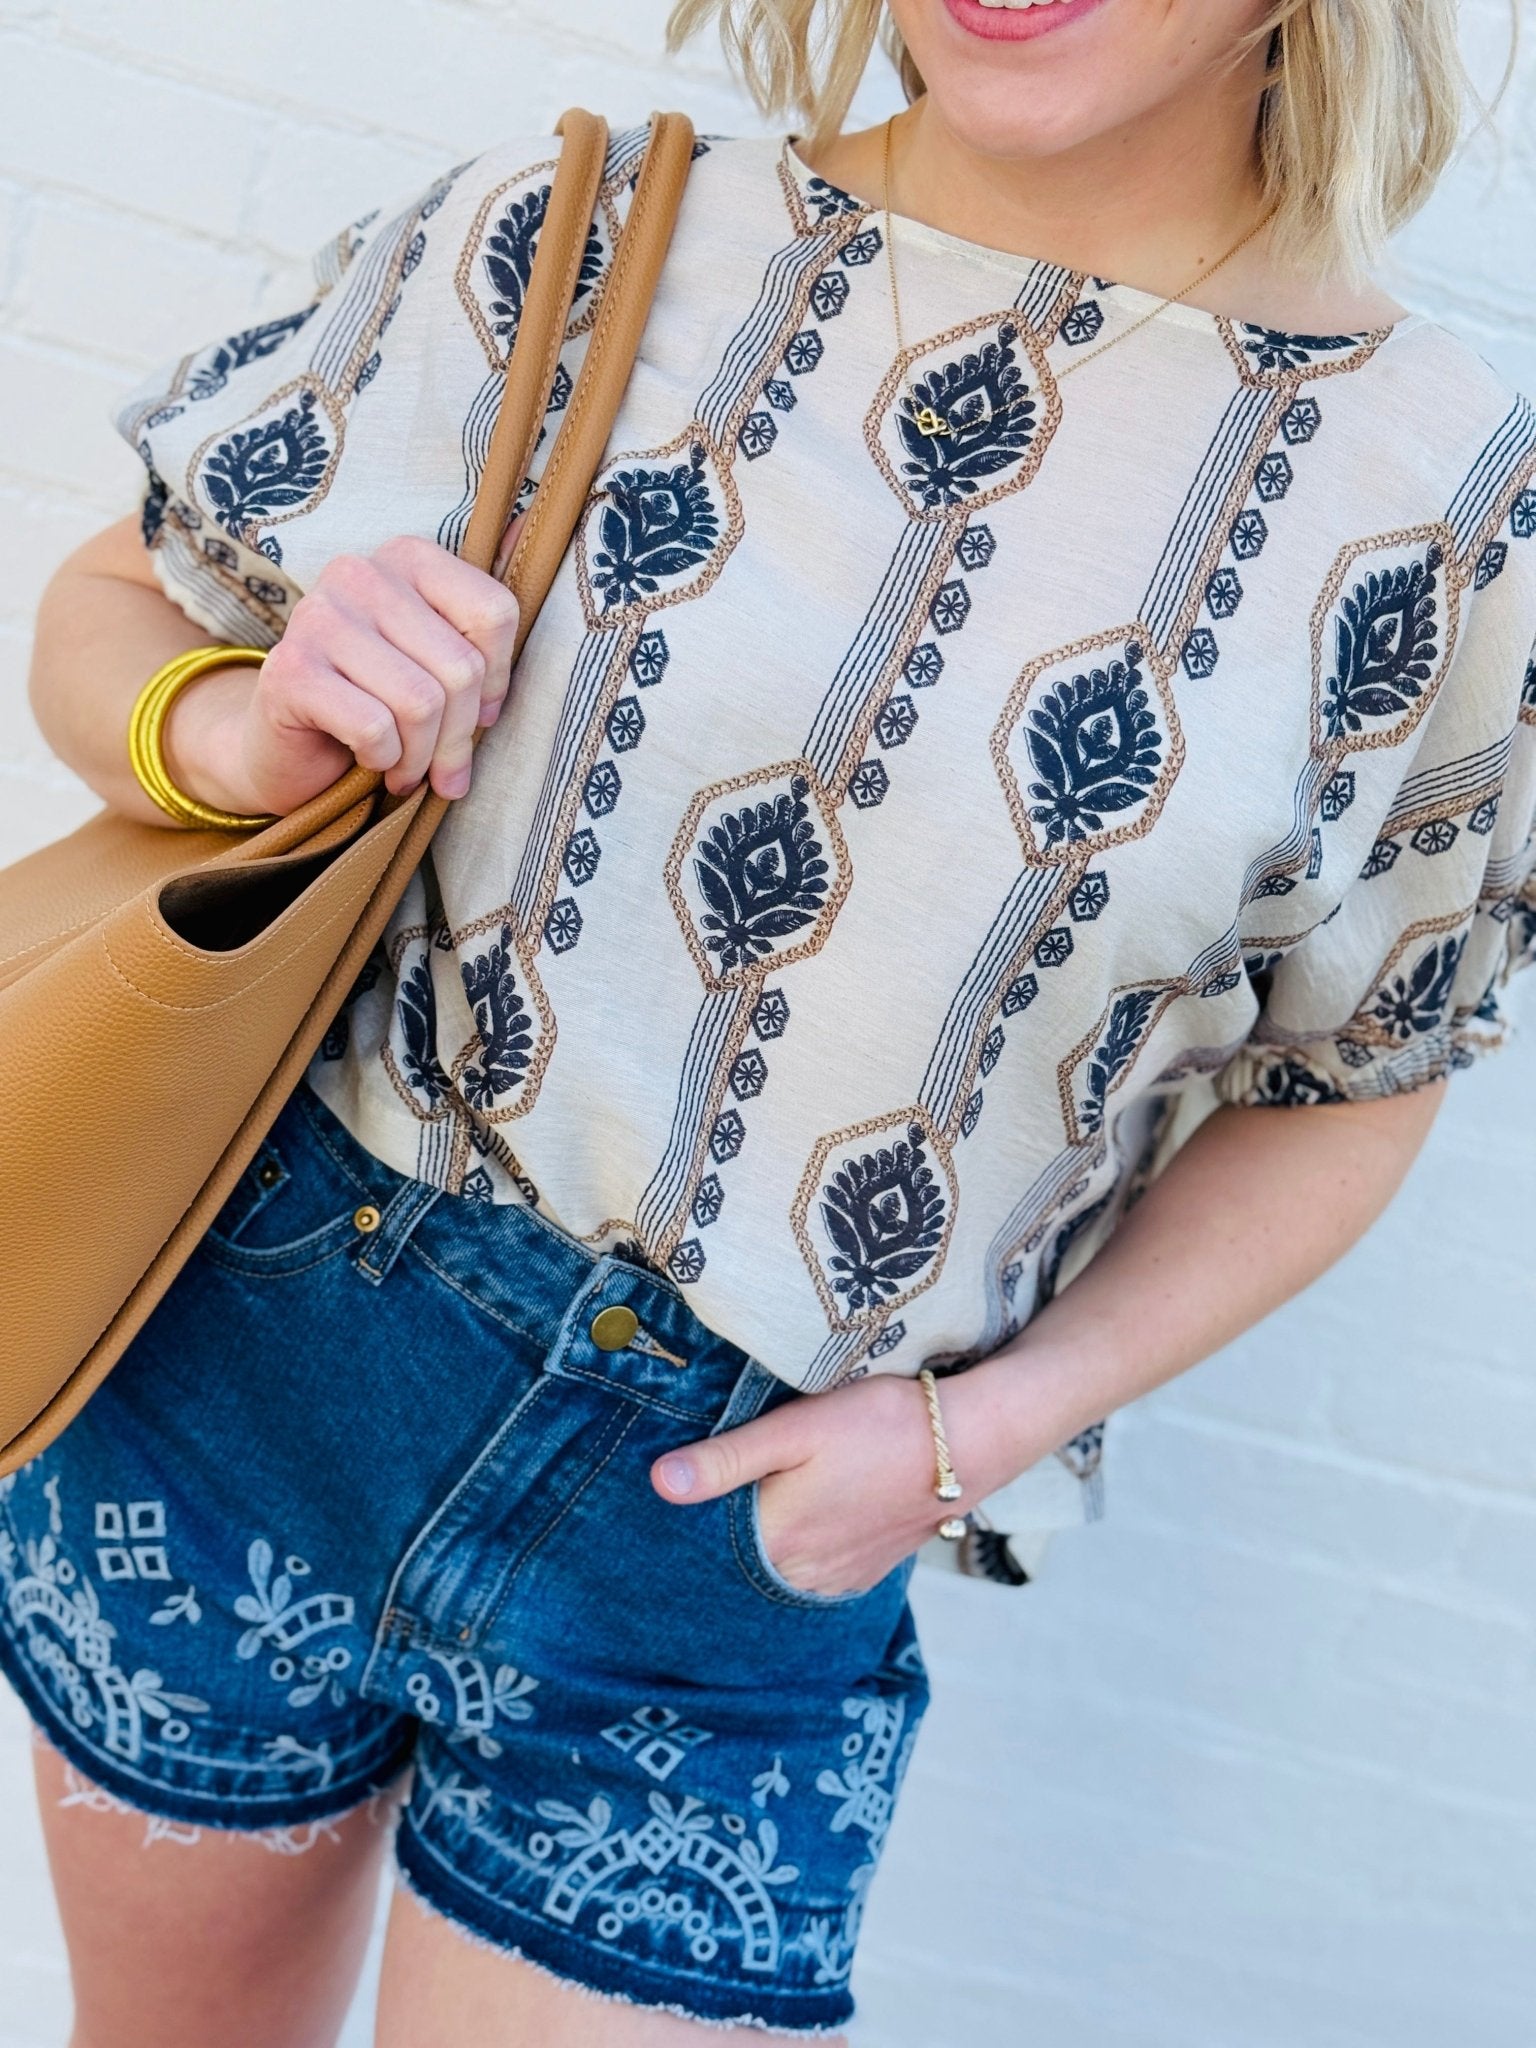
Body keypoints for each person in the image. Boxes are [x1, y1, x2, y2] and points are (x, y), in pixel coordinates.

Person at [4, 1, 1533, 2042]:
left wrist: (980, 1429)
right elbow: (109, 615)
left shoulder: (1438, 518)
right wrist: (243, 728)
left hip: (721, 1569)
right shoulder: (589, 232)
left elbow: (1353, 1075)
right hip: (264, 1361)